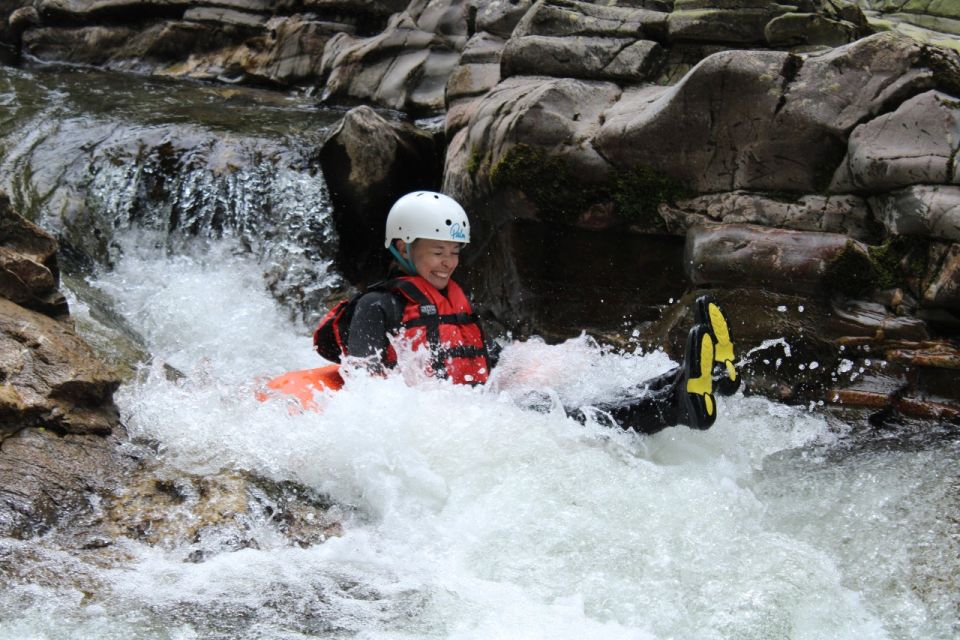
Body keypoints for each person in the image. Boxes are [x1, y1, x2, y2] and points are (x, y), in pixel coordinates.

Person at [323, 190, 739, 433]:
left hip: (471, 407)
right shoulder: (377, 306)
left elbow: (477, 360)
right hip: (441, 423)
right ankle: (675, 407)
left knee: (564, 400)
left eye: (453, 253)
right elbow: (369, 383)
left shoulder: (453, 300)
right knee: (558, 414)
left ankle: (695, 379)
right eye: (437, 252)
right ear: (401, 248)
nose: (448, 263)